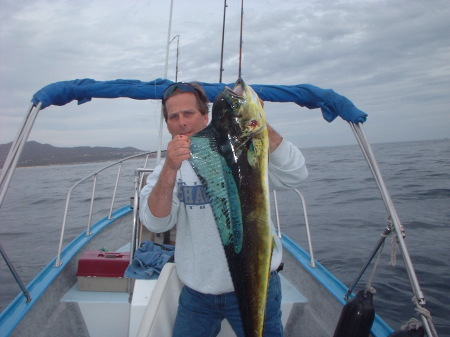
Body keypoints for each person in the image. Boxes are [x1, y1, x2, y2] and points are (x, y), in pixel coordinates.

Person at [139, 82, 308, 337]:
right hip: (198, 293)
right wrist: (171, 168)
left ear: (205, 116)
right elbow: (156, 223)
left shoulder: (246, 149)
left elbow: (296, 175)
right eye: (174, 117)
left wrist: (258, 124)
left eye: (188, 113)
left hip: (257, 285)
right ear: (168, 125)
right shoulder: (167, 168)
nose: (182, 122)